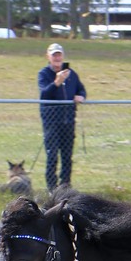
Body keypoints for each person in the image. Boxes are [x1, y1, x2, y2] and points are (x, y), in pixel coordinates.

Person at [37, 43, 86, 193]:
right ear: (48, 57)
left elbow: (81, 89)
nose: (57, 58)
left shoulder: (71, 74)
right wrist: (57, 82)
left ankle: (65, 188)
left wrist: (81, 96)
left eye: (59, 55)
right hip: (51, 121)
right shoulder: (44, 74)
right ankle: (52, 189)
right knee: (52, 155)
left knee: (67, 156)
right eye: (54, 55)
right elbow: (44, 94)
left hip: (68, 121)